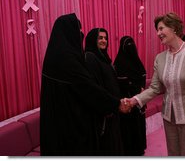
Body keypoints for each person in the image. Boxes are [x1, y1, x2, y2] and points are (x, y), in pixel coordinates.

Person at [40, 14, 130, 156]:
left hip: (60, 123)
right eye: (78, 30)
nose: (81, 34)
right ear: (70, 32)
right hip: (69, 127)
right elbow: (88, 88)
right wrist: (115, 104)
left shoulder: (56, 55)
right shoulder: (67, 60)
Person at [125, 12, 185, 156]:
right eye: (157, 30)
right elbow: (155, 88)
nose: (158, 33)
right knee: (173, 154)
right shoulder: (160, 58)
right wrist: (134, 100)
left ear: (174, 28)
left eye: (161, 28)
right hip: (169, 117)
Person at [84, 28, 125, 155]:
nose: (104, 41)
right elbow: (94, 88)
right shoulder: (90, 57)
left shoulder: (104, 58)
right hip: (103, 115)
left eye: (105, 38)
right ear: (92, 40)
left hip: (112, 110)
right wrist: (108, 106)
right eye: (100, 38)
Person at [114, 36, 147, 156]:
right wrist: (137, 89)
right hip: (126, 100)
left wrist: (141, 89)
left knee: (139, 125)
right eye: (127, 46)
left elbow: (143, 75)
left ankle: (139, 147)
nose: (130, 48)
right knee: (129, 127)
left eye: (131, 45)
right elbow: (122, 83)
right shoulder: (119, 63)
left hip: (139, 100)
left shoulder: (137, 62)